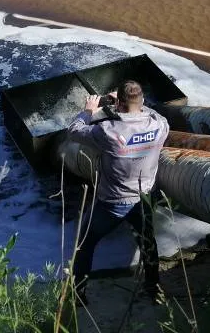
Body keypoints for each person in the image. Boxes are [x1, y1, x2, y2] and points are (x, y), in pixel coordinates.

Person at [67, 80, 170, 305]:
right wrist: (133, 105)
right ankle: (153, 290)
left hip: (111, 204)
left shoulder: (108, 132)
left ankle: (78, 296)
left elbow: (74, 131)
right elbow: (154, 114)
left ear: (120, 104)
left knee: (85, 245)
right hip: (142, 199)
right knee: (147, 244)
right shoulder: (159, 126)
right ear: (141, 101)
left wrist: (89, 111)